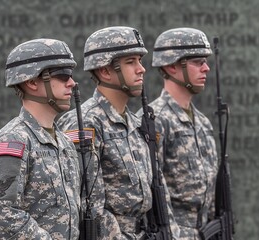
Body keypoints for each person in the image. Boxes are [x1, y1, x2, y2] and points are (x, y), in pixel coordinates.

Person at [57, 26, 154, 240]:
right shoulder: (86, 123)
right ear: (105, 71)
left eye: (140, 60)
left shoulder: (135, 123)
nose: (141, 69)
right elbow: (88, 204)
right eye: (131, 62)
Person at [0, 38, 81, 239]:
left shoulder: (65, 143)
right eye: (62, 75)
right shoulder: (12, 141)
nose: (72, 82)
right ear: (32, 82)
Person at [137, 27, 218, 239]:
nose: (206, 68)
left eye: (205, 61)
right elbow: (152, 192)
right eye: (198, 62)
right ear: (172, 66)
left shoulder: (203, 123)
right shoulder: (155, 120)